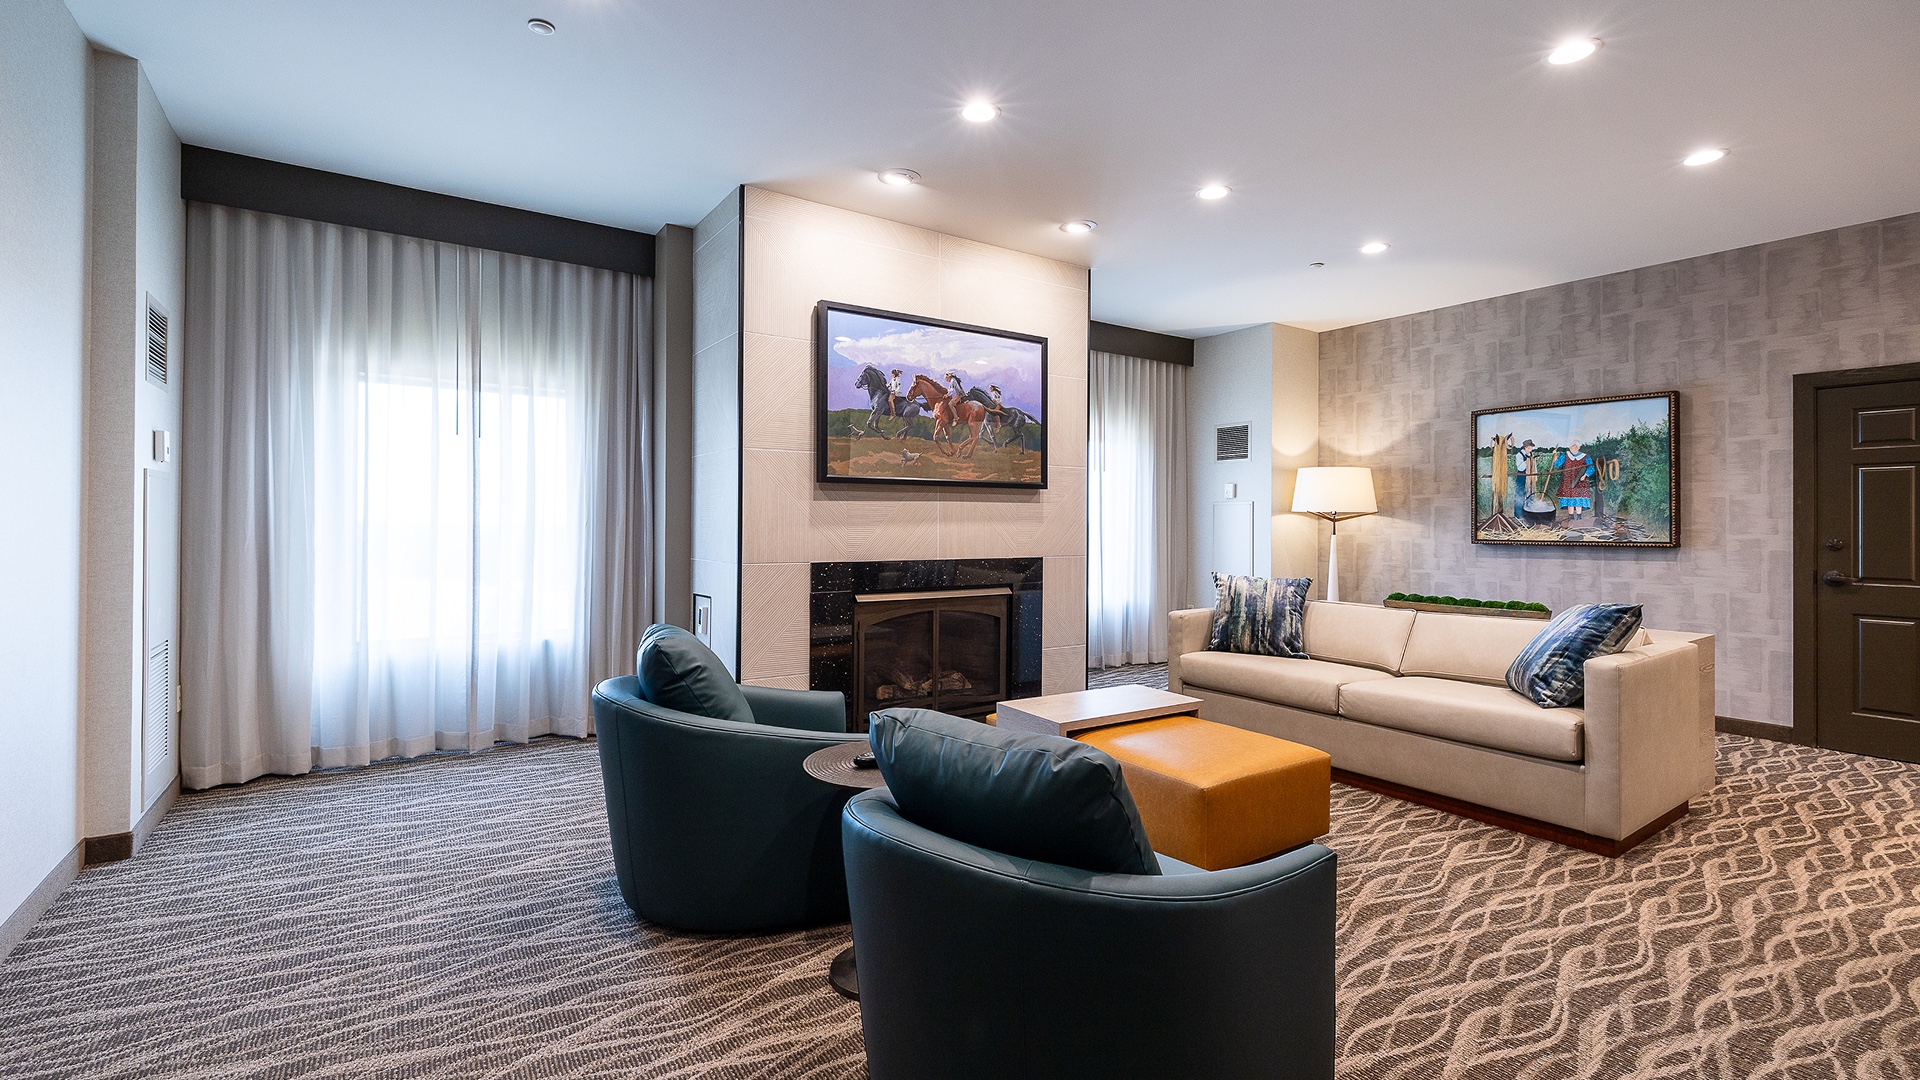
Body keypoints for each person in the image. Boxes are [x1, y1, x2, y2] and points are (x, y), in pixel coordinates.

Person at [1554, 441, 1596, 522]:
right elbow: (1557, 464)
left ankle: (1579, 517)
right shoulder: (1566, 455)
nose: (1574, 448)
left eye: (1576, 447)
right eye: (1572, 446)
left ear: (1579, 448)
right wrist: (1554, 455)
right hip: (1567, 481)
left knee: (1578, 499)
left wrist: (1585, 475)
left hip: (1580, 481)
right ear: (1570, 447)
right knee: (1569, 498)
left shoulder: (1585, 456)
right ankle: (1571, 517)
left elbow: (1591, 468)